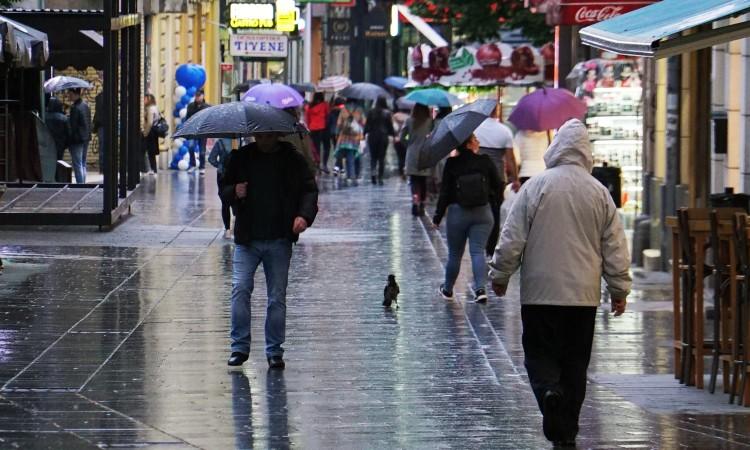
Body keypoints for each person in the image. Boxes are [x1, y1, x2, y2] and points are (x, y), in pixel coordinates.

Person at [489, 119, 630, 447]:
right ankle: (566, 434)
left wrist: (500, 274)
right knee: (575, 364)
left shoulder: (536, 187)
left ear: (556, 150)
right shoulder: (599, 193)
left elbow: (512, 236)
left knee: (539, 356)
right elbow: (614, 244)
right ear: (586, 153)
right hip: (583, 297)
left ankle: (549, 394)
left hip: (540, 294)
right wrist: (619, 289)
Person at [221, 131, 318, 370]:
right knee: (240, 288)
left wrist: (303, 216)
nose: (263, 140)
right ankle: (239, 347)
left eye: (267, 136)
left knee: (277, 296)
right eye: (259, 136)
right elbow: (223, 188)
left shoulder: (292, 159)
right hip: (248, 238)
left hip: (279, 238)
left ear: (276, 135)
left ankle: (275, 351)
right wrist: (235, 191)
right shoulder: (240, 158)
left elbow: (309, 190)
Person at [432, 133, 502, 303]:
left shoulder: (451, 163)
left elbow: (445, 193)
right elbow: (498, 185)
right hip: (483, 213)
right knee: (477, 251)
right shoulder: (485, 161)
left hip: (457, 214)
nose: (478, 141)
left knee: (455, 254)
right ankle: (480, 289)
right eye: (475, 139)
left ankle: (447, 289)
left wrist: (437, 216)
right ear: (469, 144)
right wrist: (493, 203)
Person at [476, 117, 518, 257]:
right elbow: (510, 159)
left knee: (479, 210)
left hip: (479, 177)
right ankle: (490, 248)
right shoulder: (504, 131)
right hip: (497, 178)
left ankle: (480, 242)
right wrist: (515, 178)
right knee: (495, 213)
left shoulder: (477, 129)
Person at [403, 103, 432, 215]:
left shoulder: (409, 120)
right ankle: (422, 204)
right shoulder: (430, 122)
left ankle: (415, 202)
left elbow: (402, 137)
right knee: (423, 181)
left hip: (412, 153)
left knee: (414, 180)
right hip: (425, 153)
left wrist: (409, 145)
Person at [364, 96, 395, 185]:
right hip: (383, 137)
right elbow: (390, 126)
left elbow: (367, 125)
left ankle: (373, 174)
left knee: (373, 157)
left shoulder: (371, 112)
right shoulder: (387, 113)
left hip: (372, 136)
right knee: (381, 157)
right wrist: (393, 134)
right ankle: (380, 177)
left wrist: (365, 133)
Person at [208, 138, 234, 239]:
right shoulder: (240, 141)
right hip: (237, 175)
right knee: (237, 201)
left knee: (225, 203)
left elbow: (211, 159)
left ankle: (227, 230)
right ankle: (236, 227)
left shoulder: (220, 142)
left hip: (223, 175)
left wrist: (220, 166)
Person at [335, 99, 365, 184]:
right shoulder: (359, 109)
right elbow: (363, 122)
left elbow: (339, 124)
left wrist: (337, 134)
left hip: (344, 137)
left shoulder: (343, 109)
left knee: (348, 155)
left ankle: (349, 175)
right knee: (356, 154)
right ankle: (354, 175)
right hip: (356, 136)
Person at [67, 88, 91, 183]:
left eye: (69, 94)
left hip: (77, 139)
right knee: (83, 163)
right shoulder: (85, 105)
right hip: (86, 137)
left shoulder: (75, 108)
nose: (68, 96)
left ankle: (80, 185)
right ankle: (83, 184)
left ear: (74, 94)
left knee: (77, 164)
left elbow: (73, 126)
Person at [186, 89, 210, 173]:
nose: (197, 97)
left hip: (203, 131)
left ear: (203, 96)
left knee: (202, 151)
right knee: (191, 147)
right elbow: (187, 118)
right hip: (192, 130)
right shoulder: (191, 106)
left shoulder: (207, 106)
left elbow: (210, 119)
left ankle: (202, 167)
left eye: (199, 96)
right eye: (196, 96)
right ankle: (192, 165)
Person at [305, 92, 330, 173]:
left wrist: (309, 127)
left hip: (313, 129)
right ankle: (325, 164)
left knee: (316, 148)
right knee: (327, 147)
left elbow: (307, 118)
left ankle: (317, 165)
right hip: (323, 128)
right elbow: (327, 115)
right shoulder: (324, 105)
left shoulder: (310, 106)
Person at [45, 97, 70, 161]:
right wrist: (65, 144)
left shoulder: (44, 116)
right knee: (59, 161)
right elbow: (68, 132)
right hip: (60, 144)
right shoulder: (64, 118)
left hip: (48, 143)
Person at [142, 94, 160, 175]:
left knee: (149, 151)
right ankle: (153, 168)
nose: (143, 101)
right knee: (151, 151)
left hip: (150, 132)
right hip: (154, 132)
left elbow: (149, 122)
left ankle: (151, 169)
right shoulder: (155, 107)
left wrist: (145, 133)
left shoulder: (150, 109)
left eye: (145, 99)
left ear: (149, 99)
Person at [92, 92, 105, 172]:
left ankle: (102, 168)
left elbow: (97, 115)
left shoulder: (99, 98)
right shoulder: (111, 96)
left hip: (101, 126)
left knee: (102, 148)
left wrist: (95, 127)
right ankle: (105, 167)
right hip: (109, 126)